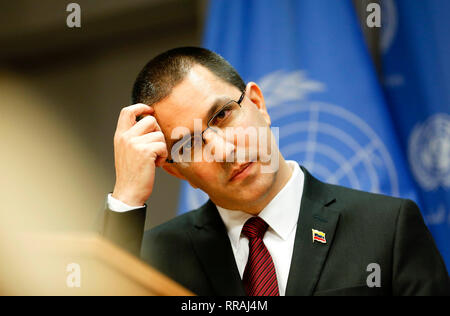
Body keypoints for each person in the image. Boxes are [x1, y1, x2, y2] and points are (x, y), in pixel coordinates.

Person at [100, 47, 449, 296]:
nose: (223, 151)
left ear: (257, 103)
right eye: (189, 144)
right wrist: (127, 199)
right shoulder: (155, 257)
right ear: (174, 171)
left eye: (222, 115)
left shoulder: (386, 227)